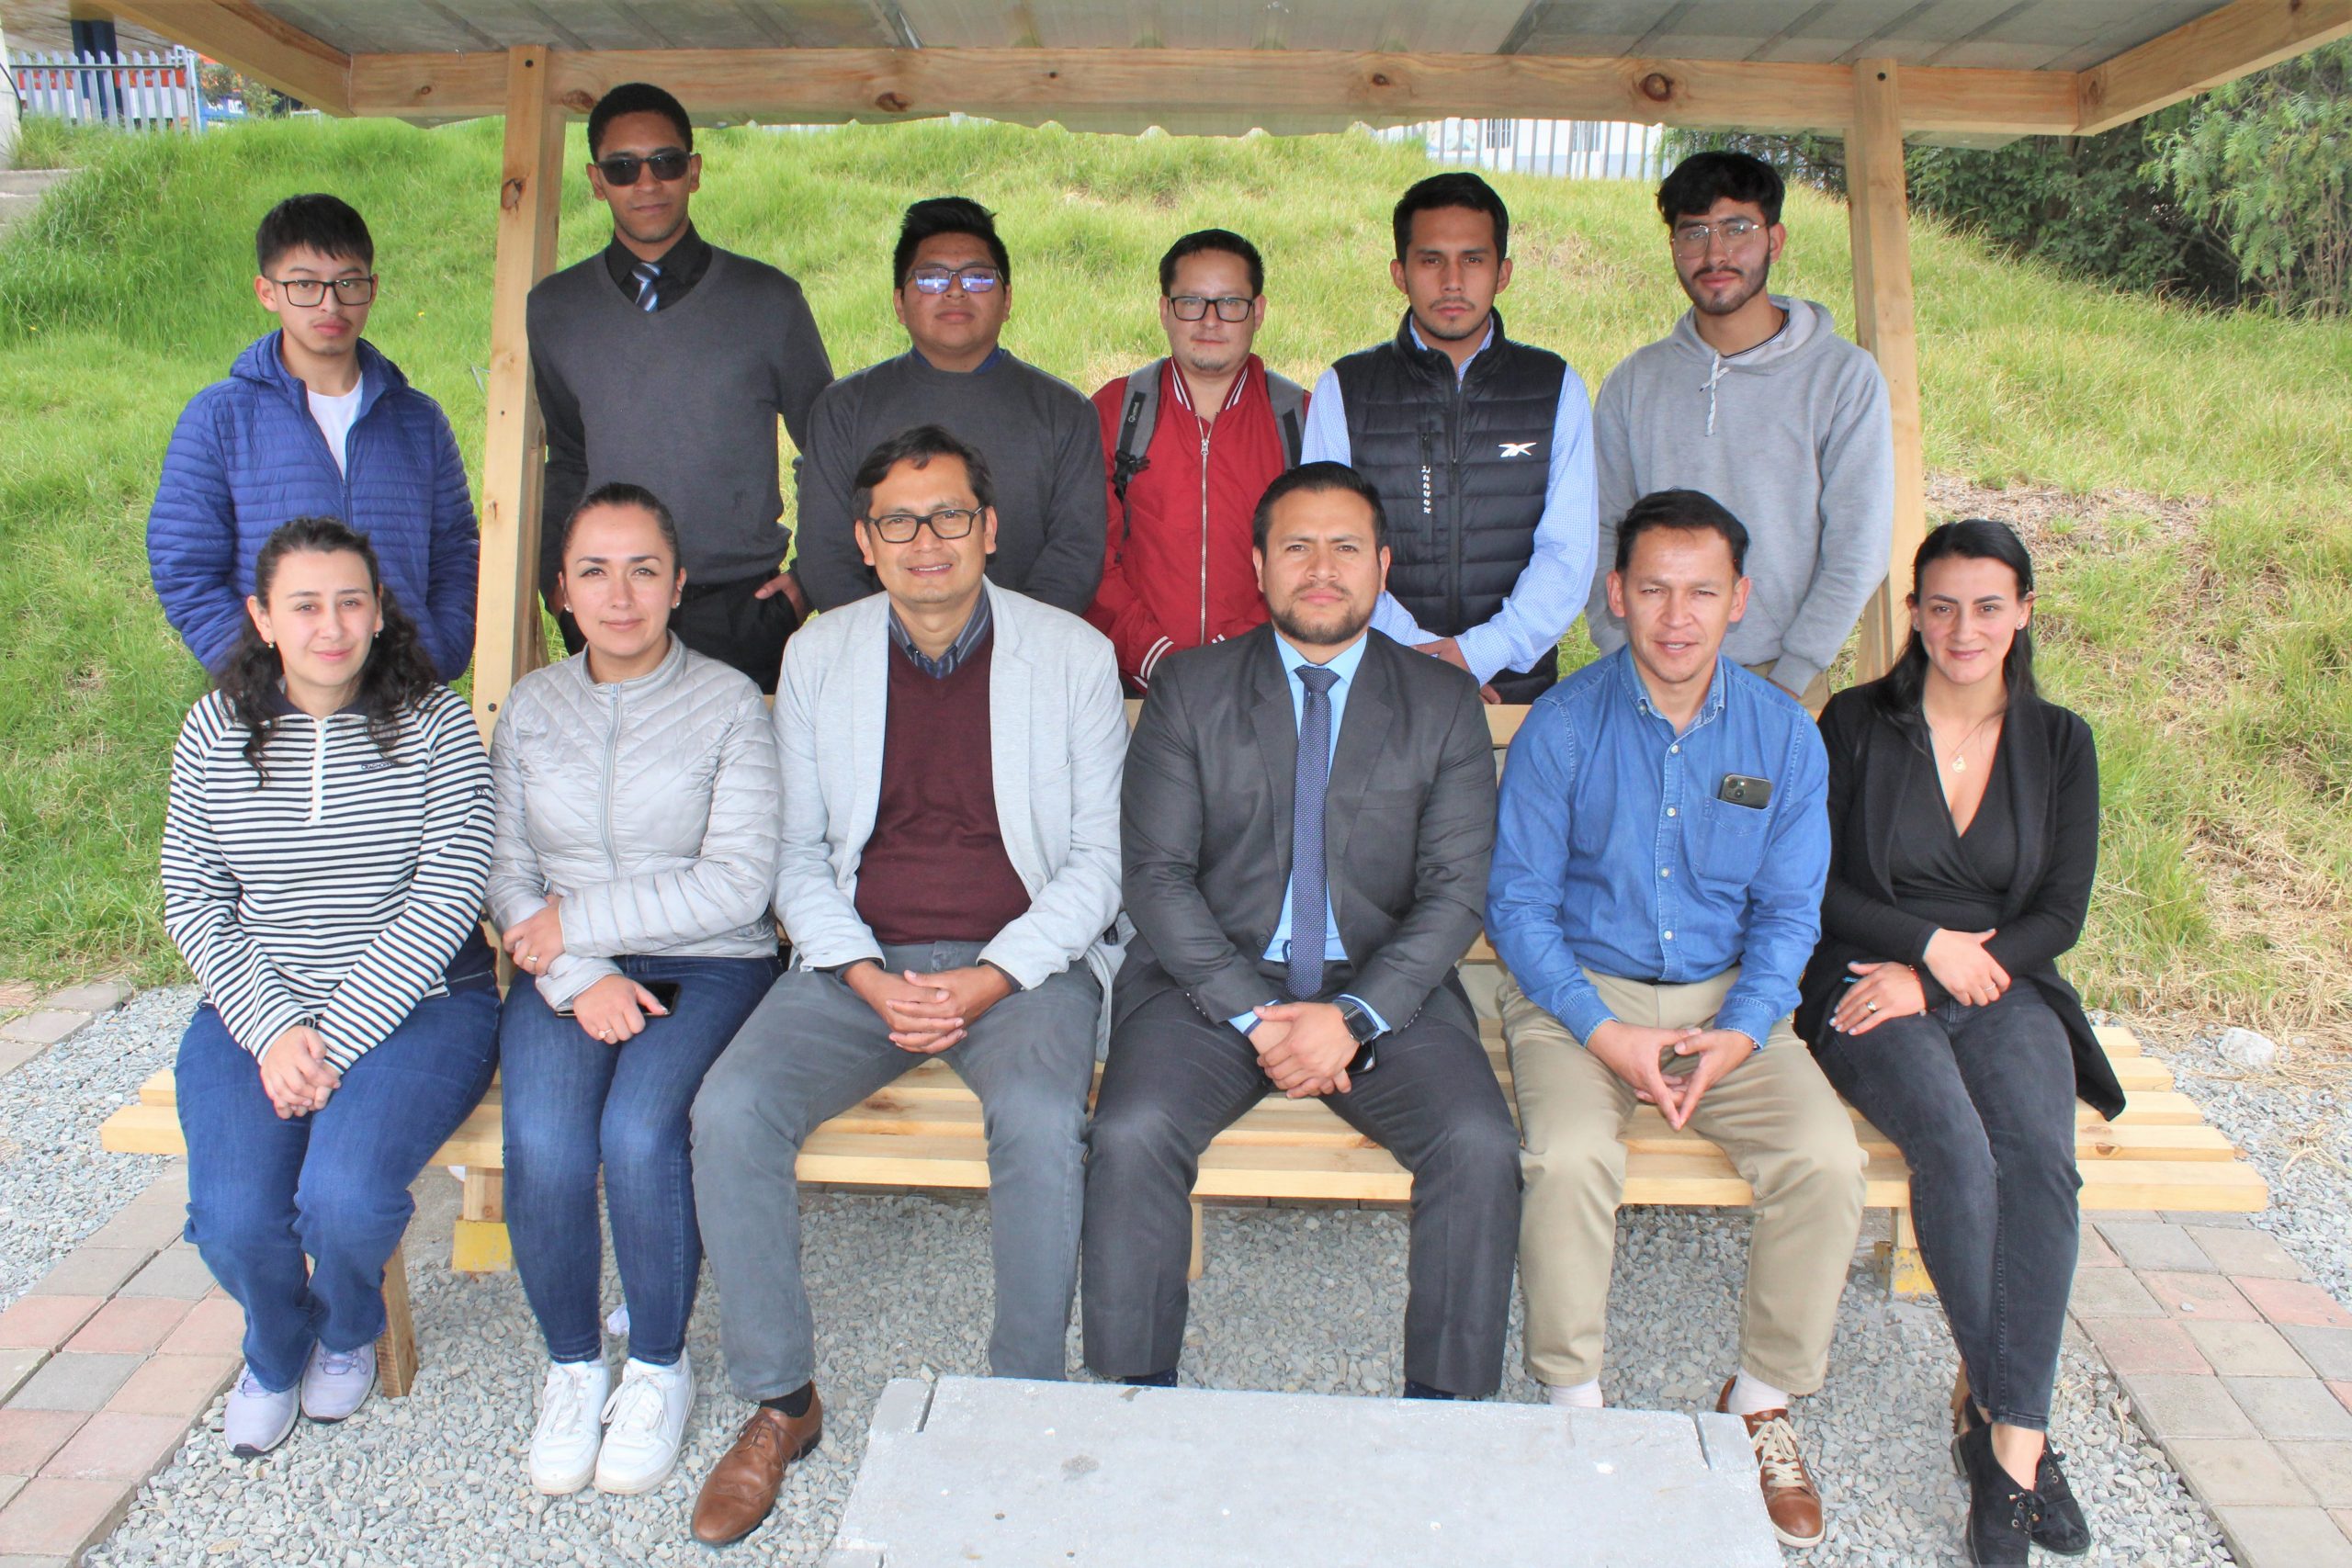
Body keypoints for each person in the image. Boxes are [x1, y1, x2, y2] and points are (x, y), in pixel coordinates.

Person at [686, 426, 1125, 1547]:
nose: (925, 541)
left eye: (948, 517)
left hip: (1021, 964)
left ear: (989, 529)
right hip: (860, 962)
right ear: (863, 543)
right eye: (898, 522)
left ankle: (1017, 1400)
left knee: (1037, 1120)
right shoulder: (820, 656)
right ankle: (782, 1404)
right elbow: (795, 857)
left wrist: (988, 977)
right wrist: (872, 977)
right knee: (729, 1111)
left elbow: (1096, 865)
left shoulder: (1069, 654)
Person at [1084, 461, 1520, 1401]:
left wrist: (1353, 1015)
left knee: (1479, 1145)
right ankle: (1132, 1394)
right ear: (1258, 564)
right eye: (1296, 547)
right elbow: (1155, 879)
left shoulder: (1440, 703)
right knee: (1129, 1131)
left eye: (1346, 548)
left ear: (1382, 565)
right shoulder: (1192, 691)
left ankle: (1449, 1414)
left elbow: (1454, 892)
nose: (1321, 568)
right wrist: (1260, 1015)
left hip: (1380, 992)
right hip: (1210, 991)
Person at [1485, 489, 1861, 1550]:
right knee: (1566, 1158)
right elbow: (1516, 905)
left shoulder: (1783, 735)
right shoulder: (1564, 724)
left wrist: (1740, 1033)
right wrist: (1607, 1036)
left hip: (1726, 1006)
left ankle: (1760, 1397)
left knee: (1827, 1164)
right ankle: (1572, 1403)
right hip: (1579, 1003)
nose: (1676, 615)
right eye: (1652, 588)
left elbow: (1792, 914)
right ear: (1616, 595)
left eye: (1702, 590)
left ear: (1740, 600)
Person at [1799, 519, 2110, 1565]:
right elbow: (1819, 883)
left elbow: (2060, 909)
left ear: (2022, 611)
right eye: (1938, 605)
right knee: (1956, 1151)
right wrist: (1923, 948)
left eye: (1986, 605)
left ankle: (2008, 1441)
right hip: (1868, 978)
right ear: (1913, 613)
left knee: (2040, 1160)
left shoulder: (2060, 741)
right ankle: (2021, 1438)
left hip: (2003, 981)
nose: (1960, 628)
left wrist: (1964, 966)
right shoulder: (1854, 722)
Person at [160, 516, 496, 1458]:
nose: (332, 625)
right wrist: (272, 1029)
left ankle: (350, 1329)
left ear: (380, 610)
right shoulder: (216, 729)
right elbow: (193, 894)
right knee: (233, 1220)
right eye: (304, 605)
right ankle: (276, 1347)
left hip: (421, 1007)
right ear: (263, 617)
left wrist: (332, 1039)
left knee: (344, 1200)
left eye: (353, 600)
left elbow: (448, 894)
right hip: (254, 1011)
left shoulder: (433, 725)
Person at [487, 483, 784, 1498]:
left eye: (644, 569)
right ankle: (574, 1365)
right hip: (566, 970)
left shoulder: (729, 702)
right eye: (595, 571)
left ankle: (659, 1362)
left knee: (642, 1130)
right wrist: (576, 970)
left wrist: (582, 923)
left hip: (712, 958)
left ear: (679, 584)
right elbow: (507, 873)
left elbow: (738, 881)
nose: (621, 595)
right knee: (545, 1136)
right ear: (561, 590)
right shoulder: (532, 706)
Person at [526, 82, 833, 692]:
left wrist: (809, 581)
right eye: (623, 168)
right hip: (610, 609)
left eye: (665, 163)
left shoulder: (769, 301)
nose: (646, 183)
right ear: (595, 180)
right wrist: (554, 583)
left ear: (693, 171)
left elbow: (832, 451)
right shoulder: (555, 310)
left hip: (744, 610)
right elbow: (567, 459)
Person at [1585, 152, 1894, 715]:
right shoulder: (1635, 381)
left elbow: (1859, 544)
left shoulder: (1842, 376)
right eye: (1694, 232)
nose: (1715, 253)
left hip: (1783, 682)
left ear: (1774, 240)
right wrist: (1619, 651)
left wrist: (1792, 675)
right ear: (1674, 247)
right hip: (1648, 678)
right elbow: (1604, 529)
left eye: (1737, 228)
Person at [149, 195, 479, 682]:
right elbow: (184, 564)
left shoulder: (419, 419)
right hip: (277, 703)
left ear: (372, 288)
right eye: (304, 284)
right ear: (267, 291)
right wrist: (259, 676)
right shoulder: (219, 418)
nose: (330, 303)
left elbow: (456, 552)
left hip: (405, 694)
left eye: (348, 282)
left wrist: (438, 653)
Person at [1301, 172, 1596, 704]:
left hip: (1513, 691)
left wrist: (1481, 652)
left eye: (1474, 259)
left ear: (1503, 273)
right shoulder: (1344, 388)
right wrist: (1420, 654)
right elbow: (1331, 547)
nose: (1453, 281)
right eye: (1432, 259)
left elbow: (1568, 553)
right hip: (1378, 681)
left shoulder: (1553, 385)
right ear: (1400, 273)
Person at [793, 197, 1104, 616]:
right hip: (879, 659)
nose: (956, 290)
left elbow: (1075, 556)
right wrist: (899, 650)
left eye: (977, 278)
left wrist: (1009, 647)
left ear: (1007, 299)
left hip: (1024, 657)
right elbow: (827, 555)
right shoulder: (843, 409)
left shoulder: (1066, 412)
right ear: (899, 303)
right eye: (930, 279)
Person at [1084, 228, 1305, 691]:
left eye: (1230, 303)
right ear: (1165, 310)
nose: (1210, 321)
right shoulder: (1115, 411)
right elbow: (1088, 555)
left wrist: (1231, 657)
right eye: (1191, 302)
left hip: (1265, 681)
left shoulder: (1299, 418)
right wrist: (1156, 658)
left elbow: (1314, 560)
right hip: (1136, 685)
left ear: (1258, 312)